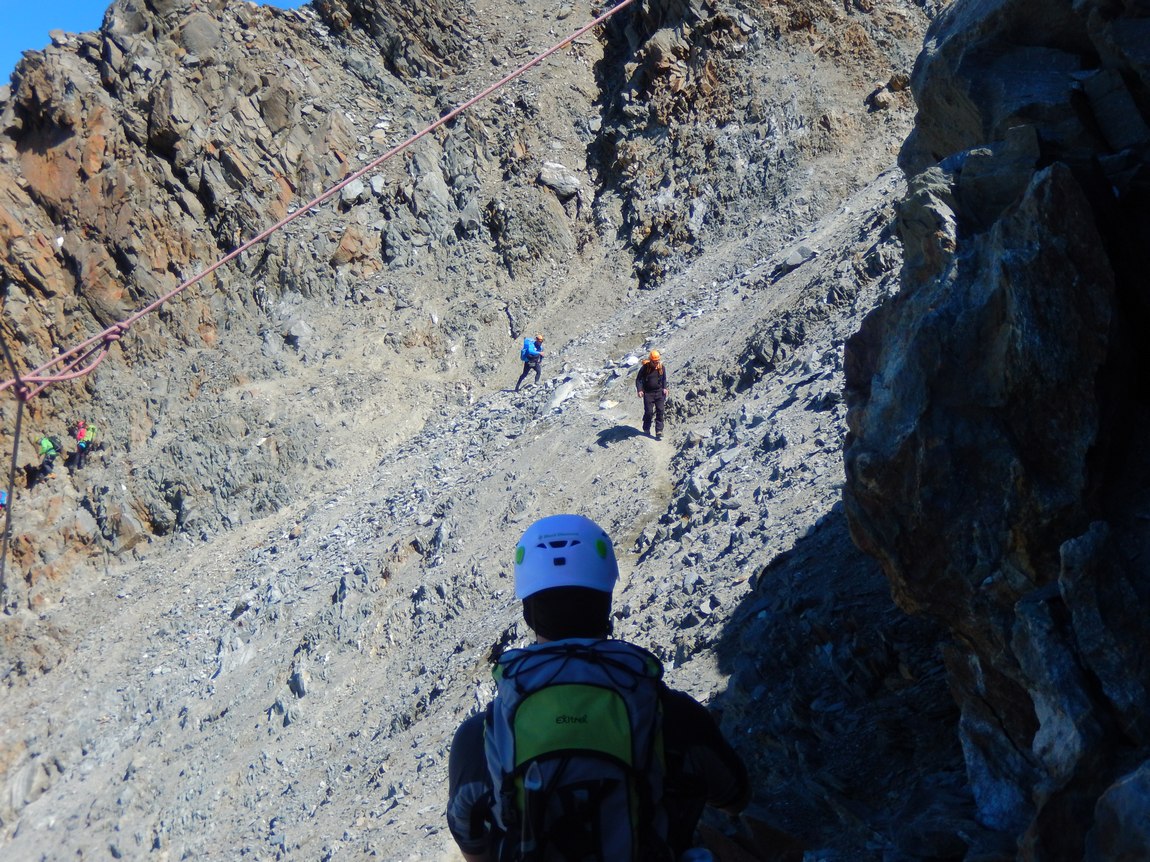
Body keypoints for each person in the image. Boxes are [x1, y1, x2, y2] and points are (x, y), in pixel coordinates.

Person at [446, 514, 749, 862]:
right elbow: (736, 797)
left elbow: (473, 846)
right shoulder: (670, 713)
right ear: (606, 601)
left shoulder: (480, 736)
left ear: (528, 611)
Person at [636, 349, 668, 440]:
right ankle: (646, 428)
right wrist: (639, 390)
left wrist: (665, 388)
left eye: (657, 361)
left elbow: (664, 379)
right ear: (650, 360)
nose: (656, 363)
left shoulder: (661, 367)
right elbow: (638, 380)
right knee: (649, 412)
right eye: (654, 361)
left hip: (659, 392)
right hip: (648, 393)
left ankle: (659, 430)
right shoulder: (645, 368)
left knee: (660, 411)